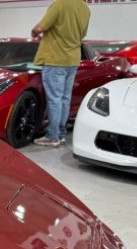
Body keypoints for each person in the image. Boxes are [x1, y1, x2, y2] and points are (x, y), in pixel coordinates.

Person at [30, 0, 90, 147]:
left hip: (55, 58)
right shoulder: (85, 9)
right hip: (72, 59)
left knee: (54, 99)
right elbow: (83, 34)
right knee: (64, 98)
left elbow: (39, 28)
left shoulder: (60, 4)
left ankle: (52, 136)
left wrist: (34, 32)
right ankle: (61, 134)